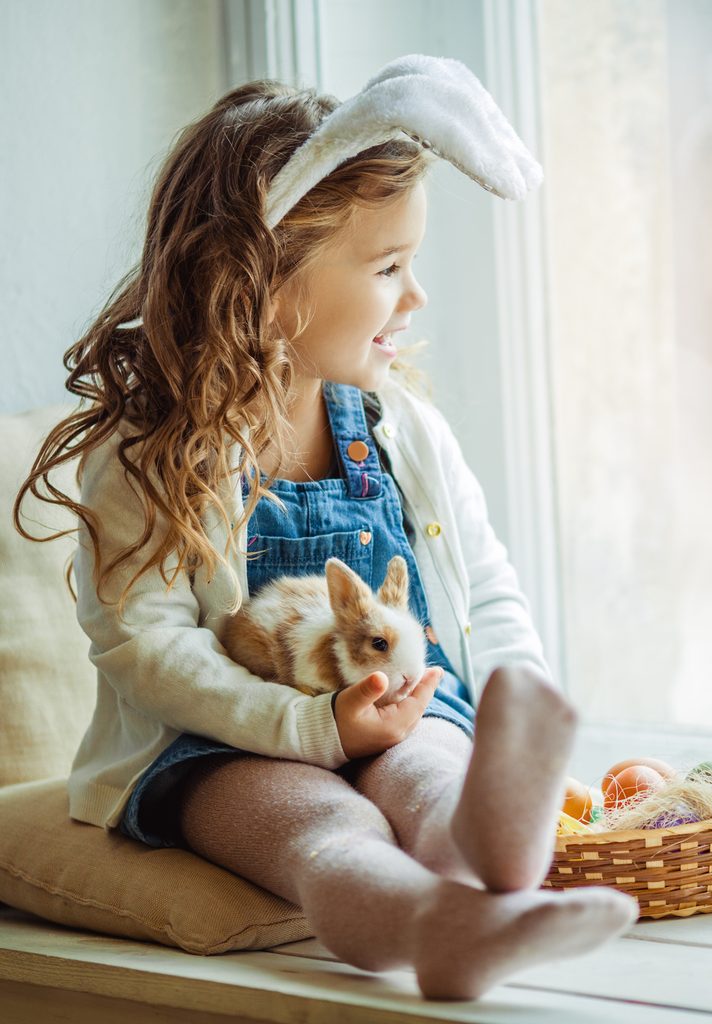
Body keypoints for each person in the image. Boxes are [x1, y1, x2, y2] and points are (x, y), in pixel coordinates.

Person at [14, 73, 637, 1001]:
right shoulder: (152, 455)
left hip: (404, 710)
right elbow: (143, 647)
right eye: (388, 268)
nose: (416, 295)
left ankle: (494, 841)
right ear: (259, 283)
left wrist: (513, 693)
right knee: (317, 826)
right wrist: (309, 727)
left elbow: (488, 586)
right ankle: (436, 929)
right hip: (223, 746)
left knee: (427, 770)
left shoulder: (404, 429)